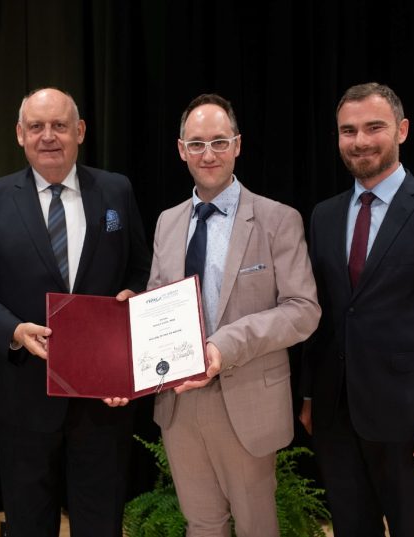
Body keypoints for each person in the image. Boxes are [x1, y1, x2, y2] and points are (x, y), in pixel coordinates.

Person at [0, 87, 151, 537]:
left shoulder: (116, 190)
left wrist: (132, 299)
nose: (49, 136)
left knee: (101, 523)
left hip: (103, 399)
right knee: (27, 525)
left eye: (59, 125)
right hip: (24, 396)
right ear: (19, 135)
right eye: (37, 127)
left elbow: (142, 271)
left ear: (79, 131)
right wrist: (12, 330)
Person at [299, 82, 414, 537]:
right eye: (348, 130)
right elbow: (317, 313)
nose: (360, 141)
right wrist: (308, 395)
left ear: (401, 130)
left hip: (411, 419)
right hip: (335, 416)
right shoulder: (324, 214)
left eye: (373, 127)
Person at [147, 93, 321, 536]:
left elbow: (303, 311)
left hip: (246, 399)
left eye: (220, 142)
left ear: (238, 145)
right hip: (179, 403)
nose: (209, 154)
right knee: (201, 523)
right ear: (181, 149)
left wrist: (225, 345)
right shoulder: (167, 222)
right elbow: (156, 301)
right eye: (198, 143)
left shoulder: (277, 219)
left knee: (256, 526)